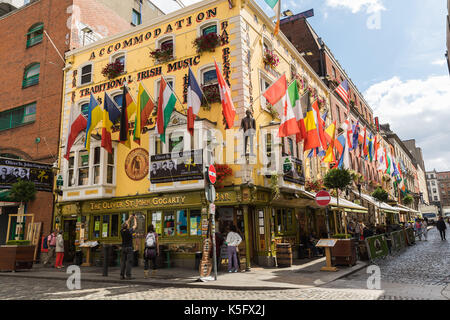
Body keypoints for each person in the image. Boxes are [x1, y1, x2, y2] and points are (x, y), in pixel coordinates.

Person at [120, 214, 137, 280]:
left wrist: (129, 218)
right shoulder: (129, 231)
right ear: (127, 226)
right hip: (129, 247)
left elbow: (125, 223)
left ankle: (122, 275)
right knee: (129, 262)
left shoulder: (121, 231)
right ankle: (128, 275)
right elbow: (135, 226)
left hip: (123, 247)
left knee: (123, 262)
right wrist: (135, 218)